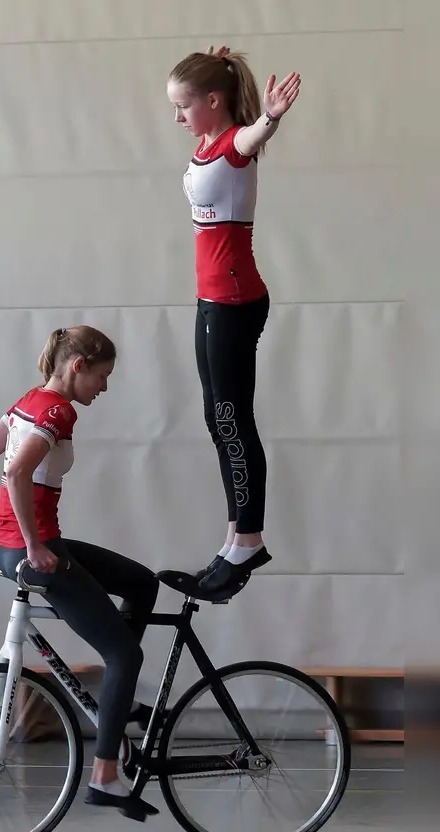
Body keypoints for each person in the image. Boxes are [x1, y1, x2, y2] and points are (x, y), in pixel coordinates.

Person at [0, 325, 161, 820]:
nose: (104, 387)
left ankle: (114, 711)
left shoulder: (27, 401)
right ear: (78, 367)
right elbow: (11, 471)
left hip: (21, 548)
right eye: (102, 376)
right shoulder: (58, 410)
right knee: (124, 654)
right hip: (37, 552)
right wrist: (33, 544)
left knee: (142, 583)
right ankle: (105, 775)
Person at [166, 46, 301, 595]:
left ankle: (249, 540)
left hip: (236, 302)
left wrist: (269, 117)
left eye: (183, 105)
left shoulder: (233, 144)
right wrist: (215, 60)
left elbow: (251, 138)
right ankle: (232, 537)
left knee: (231, 417)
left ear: (213, 103)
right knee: (214, 418)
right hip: (211, 300)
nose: (177, 117)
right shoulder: (205, 145)